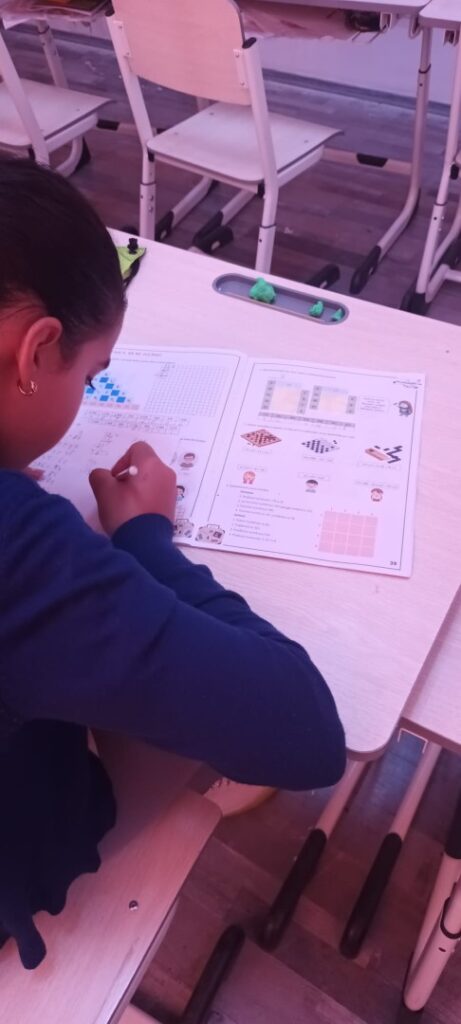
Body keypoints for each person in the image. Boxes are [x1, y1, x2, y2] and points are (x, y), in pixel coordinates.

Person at [0, 157, 346, 970]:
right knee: (208, 727)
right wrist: (146, 539)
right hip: (23, 862)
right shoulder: (23, 552)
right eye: (91, 375)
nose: (90, 392)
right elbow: (306, 734)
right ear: (34, 353)